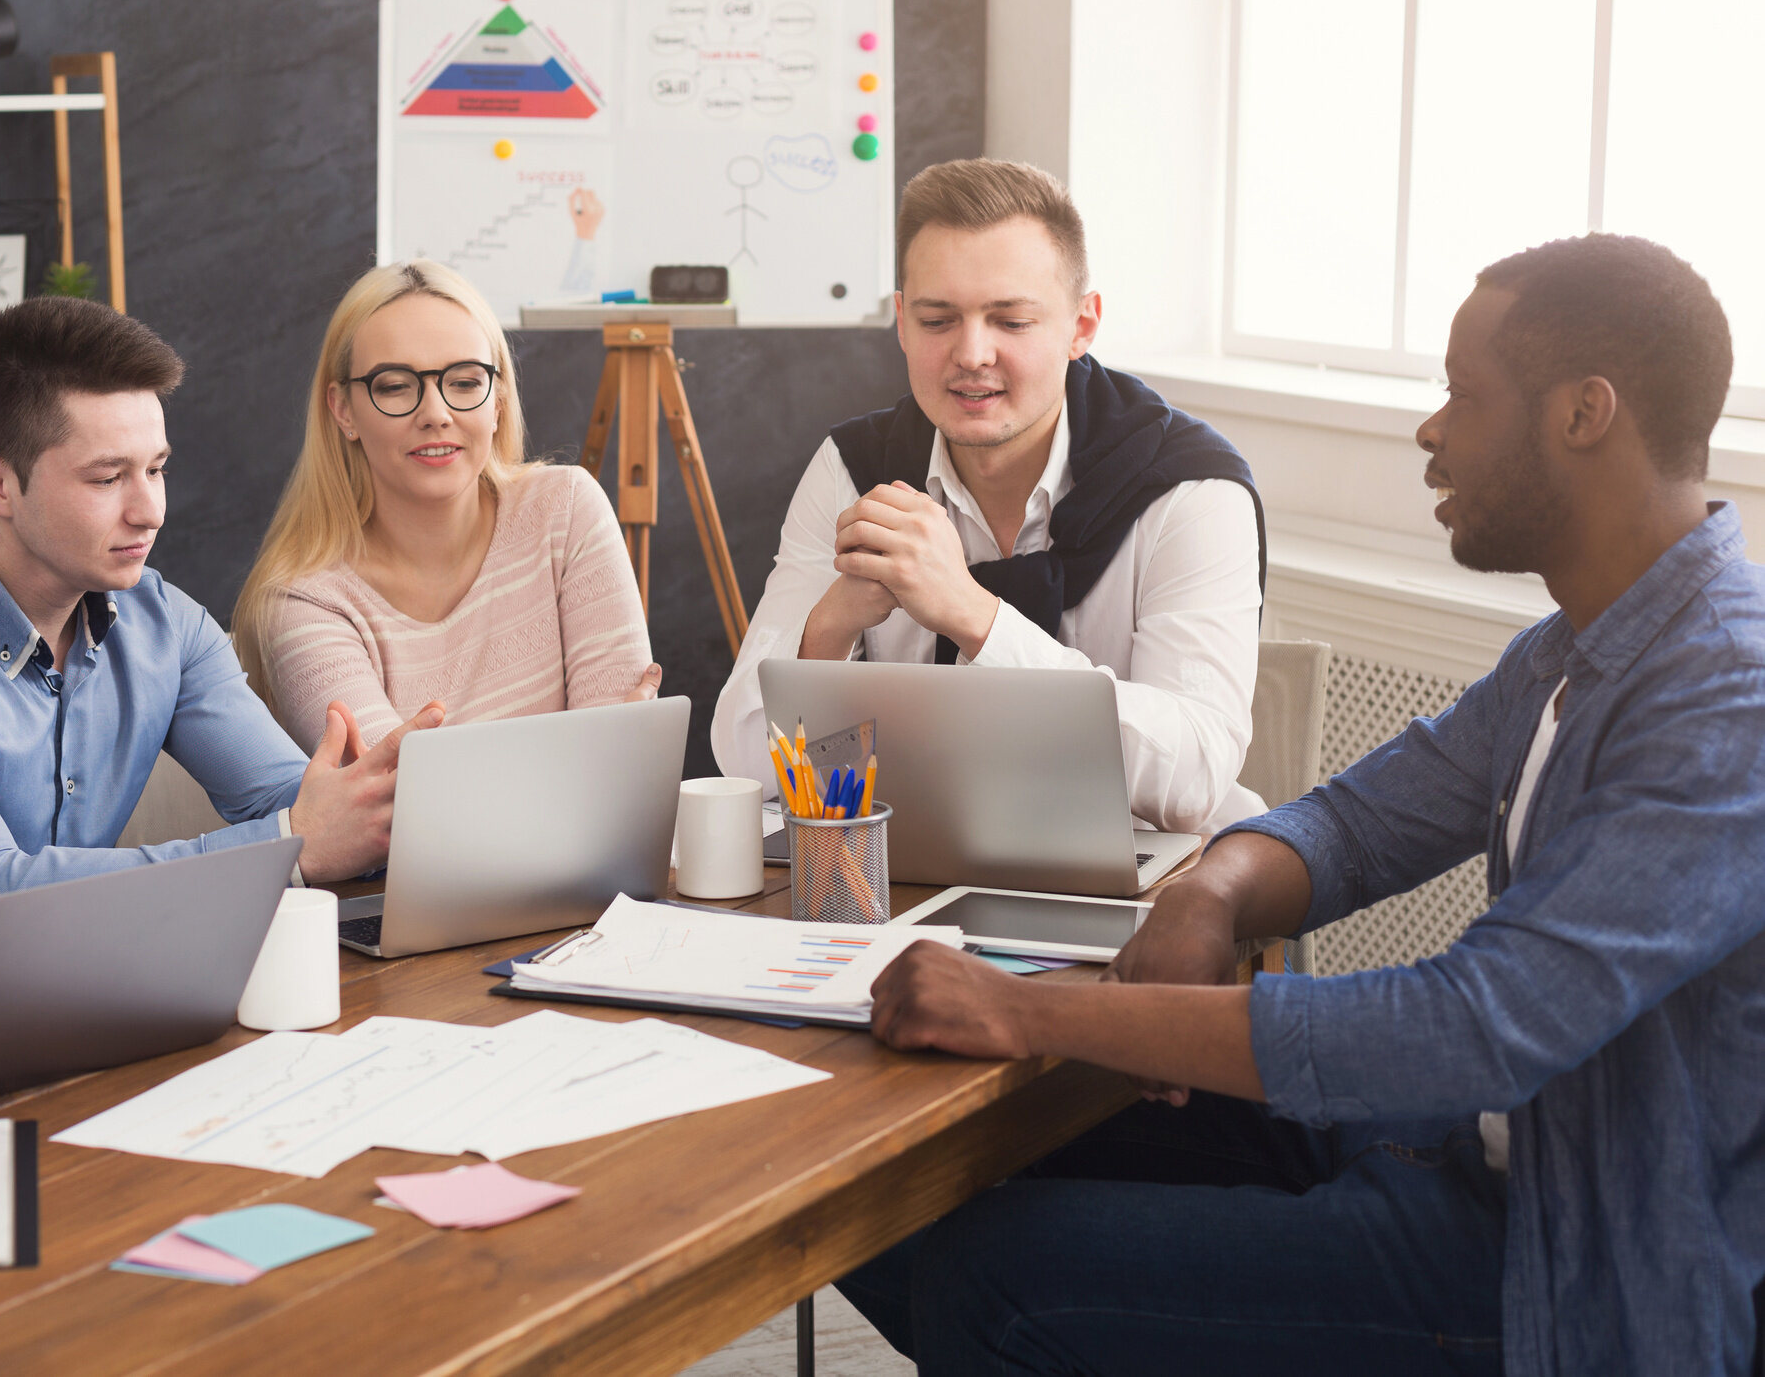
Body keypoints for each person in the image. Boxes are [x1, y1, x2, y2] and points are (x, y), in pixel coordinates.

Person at [838, 234, 1765, 1376]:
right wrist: (1216, 889)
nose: (1430, 429)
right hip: (1460, 1157)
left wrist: (1029, 1012)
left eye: (1462, 396)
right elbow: (1362, 820)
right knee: (890, 1205)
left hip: (1566, 1266)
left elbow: (1470, 1025)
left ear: (1583, 414)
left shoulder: (1727, 698)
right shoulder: (1570, 648)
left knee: (991, 1274)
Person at [0, 298, 441, 1020]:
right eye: (108, 478)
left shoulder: (165, 624)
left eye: (156, 468)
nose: (151, 510)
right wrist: (291, 842)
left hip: (118, 1006)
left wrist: (391, 812)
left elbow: (297, 805)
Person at [711, 159, 1266, 833]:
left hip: (1150, 894)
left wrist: (972, 613)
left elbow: (1194, 779)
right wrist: (830, 628)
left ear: (1082, 325)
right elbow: (745, 771)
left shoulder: (1189, 489)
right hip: (917, 882)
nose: (972, 353)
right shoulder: (854, 471)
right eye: (939, 319)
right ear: (902, 324)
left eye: (1010, 320)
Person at [233, 259, 657, 753]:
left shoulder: (566, 512)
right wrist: (586, 759)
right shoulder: (300, 602)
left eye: (464, 382)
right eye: (394, 385)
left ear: (497, 400)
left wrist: (604, 764)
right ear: (343, 410)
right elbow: (401, 806)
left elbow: (621, 782)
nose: (436, 414)